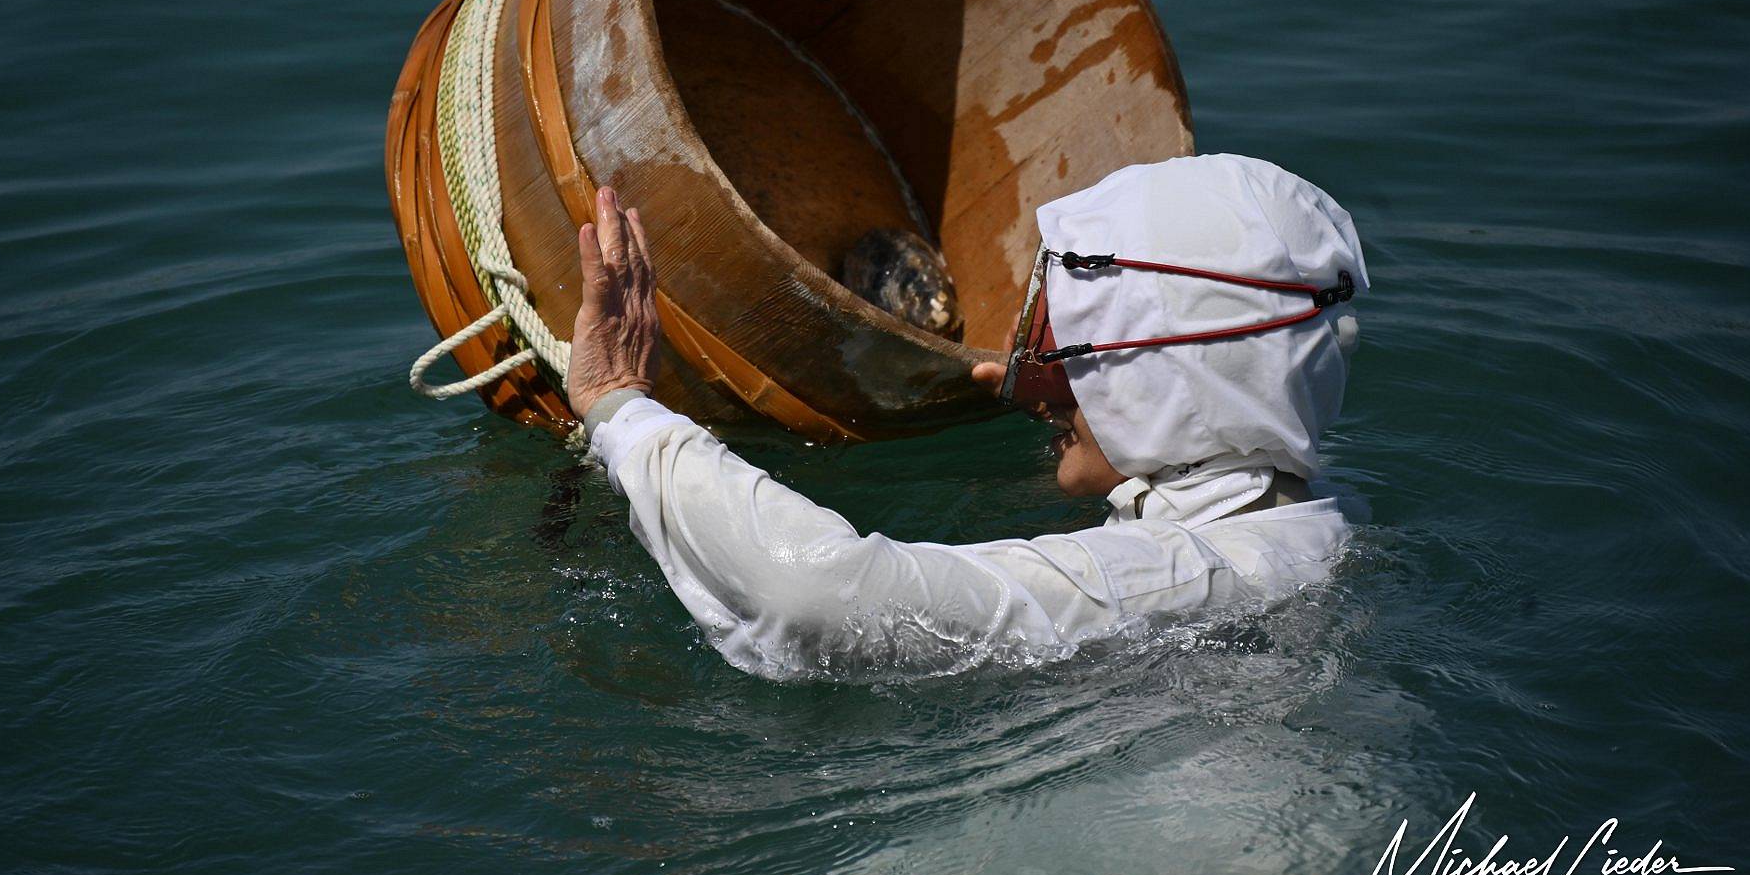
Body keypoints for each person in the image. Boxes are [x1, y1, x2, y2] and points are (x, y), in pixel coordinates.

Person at [564, 154, 1368, 680]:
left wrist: (621, 407)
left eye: (1064, 345)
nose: (1028, 383)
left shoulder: (1181, 579)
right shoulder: (1317, 519)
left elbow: (817, 599)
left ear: (1166, 376)